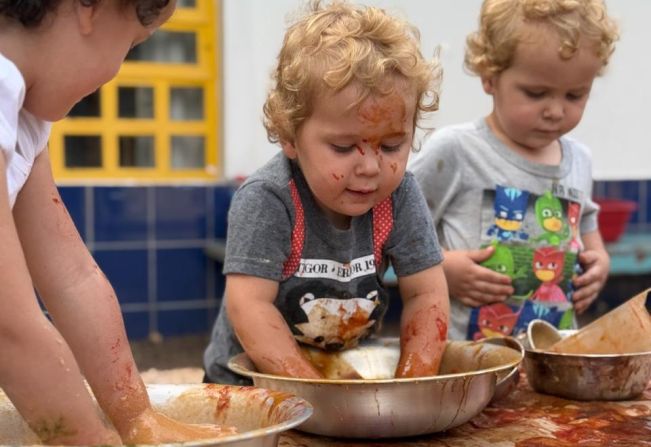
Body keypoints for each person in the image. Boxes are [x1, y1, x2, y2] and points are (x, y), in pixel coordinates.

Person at [0, 0, 230, 444]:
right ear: (90, 8)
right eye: (132, 43)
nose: (118, 70)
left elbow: (73, 276)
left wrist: (137, 418)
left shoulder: (24, 114)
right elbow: (10, 327)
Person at [204, 1, 450, 385]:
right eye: (343, 147)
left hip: (345, 377)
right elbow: (249, 306)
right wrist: (317, 392)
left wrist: (412, 385)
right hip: (247, 383)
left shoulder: (399, 196)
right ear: (289, 137)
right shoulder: (269, 199)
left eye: (390, 147)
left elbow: (426, 295)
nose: (370, 167)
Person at [410, 0, 617, 341]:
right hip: (465, 363)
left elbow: (587, 221)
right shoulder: (457, 150)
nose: (555, 111)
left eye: (575, 95)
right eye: (536, 93)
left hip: (552, 359)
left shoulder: (580, 159)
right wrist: (443, 268)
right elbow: (398, 228)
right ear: (490, 77)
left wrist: (601, 261)